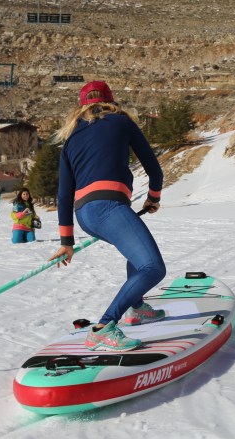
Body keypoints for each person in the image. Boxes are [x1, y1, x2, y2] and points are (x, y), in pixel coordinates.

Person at [48, 80, 166, 352]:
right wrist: (153, 198)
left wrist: (67, 241)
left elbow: (64, 195)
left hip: (84, 214)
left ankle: (136, 308)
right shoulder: (121, 121)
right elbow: (154, 169)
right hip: (109, 207)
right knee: (153, 267)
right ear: (110, 100)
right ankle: (104, 327)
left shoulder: (71, 138)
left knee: (135, 252)